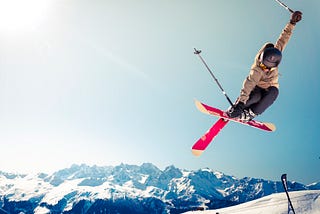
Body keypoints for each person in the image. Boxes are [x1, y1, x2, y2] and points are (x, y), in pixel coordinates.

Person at [227, 11, 302, 122]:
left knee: (274, 92)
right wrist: (241, 103)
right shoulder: (257, 68)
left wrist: (292, 22)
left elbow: (284, 38)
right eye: (262, 64)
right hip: (256, 88)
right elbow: (249, 83)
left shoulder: (277, 52)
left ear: (274, 65)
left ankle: (250, 113)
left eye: (266, 67)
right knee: (254, 97)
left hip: (269, 89)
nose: (263, 68)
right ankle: (238, 107)